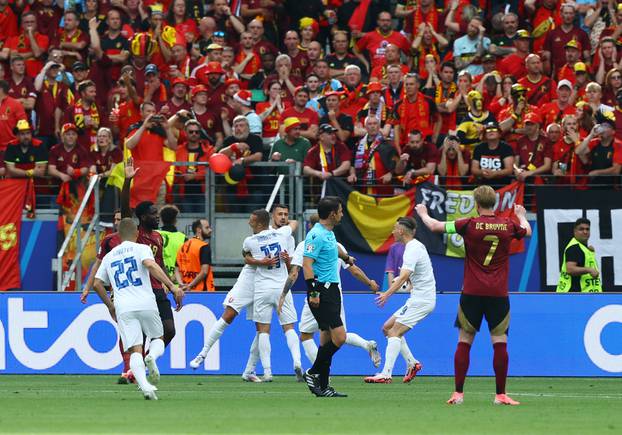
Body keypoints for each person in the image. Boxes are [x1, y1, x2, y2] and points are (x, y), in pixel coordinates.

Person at [415, 185, 531, 406]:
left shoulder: (468, 224)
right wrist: (521, 215)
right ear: (495, 203)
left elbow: (435, 226)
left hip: (471, 292)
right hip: (498, 293)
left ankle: (458, 393)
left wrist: (422, 212)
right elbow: (527, 231)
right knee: (500, 343)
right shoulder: (507, 225)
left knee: (465, 341)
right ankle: (500, 395)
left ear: (476, 204)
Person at [189, 211, 297, 372]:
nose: (283, 217)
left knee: (261, 329)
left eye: (285, 215)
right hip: (248, 280)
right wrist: (259, 261)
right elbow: (245, 257)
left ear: (260, 222)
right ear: (272, 217)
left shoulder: (282, 235)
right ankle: (203, 353)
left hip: (265, 285)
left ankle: (249, 369)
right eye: (279, 214)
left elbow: (293, 225)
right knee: (229, 314)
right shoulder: (255, 239)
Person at [277, 213, 381, 370]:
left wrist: (283, 295)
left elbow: (294, 273)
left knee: (311, 335)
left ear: (309, 227)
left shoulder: (306, 244)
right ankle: (365, 346)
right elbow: (354, 270)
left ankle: (318, 371)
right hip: (334, 294)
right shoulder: (336, 244)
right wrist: (369, 283)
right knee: (336, 334)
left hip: (316, 294)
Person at [94, 218, 182, 400]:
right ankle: (152, 358)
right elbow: (150, 265)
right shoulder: (142, 248)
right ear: (137, 233)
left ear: (118, 235)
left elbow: (97, 283)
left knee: (135, 350)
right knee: (158, 338)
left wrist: (110, 307)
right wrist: (172, 286)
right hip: (146, 302)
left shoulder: (110, 256)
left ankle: (146, 388)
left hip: (123, 307)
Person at [365, 217, 436, 383]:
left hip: (422, 300)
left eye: (394, 228)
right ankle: (412, 363)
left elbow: (403, 276)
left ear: (401, 231)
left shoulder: (412, 248)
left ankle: (386, 374)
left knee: (395, 332)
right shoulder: (413, 247)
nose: (392, 231)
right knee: (387, 328)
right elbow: (410, 275)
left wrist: (386, 294)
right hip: (417, 298)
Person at [241, 205, 302, 382]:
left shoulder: (250, 241)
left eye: (252, 220)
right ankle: (297, 362)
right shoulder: (282, 234)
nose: (249, 222)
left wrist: (260, 260)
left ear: (259, 223)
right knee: (289, 327)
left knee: (263, 331)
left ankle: (267, 371)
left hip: (263, 288)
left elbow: (245, 255)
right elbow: (294, 224)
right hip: (282, 287)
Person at [302, 196, 354, 397]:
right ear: (332, 214)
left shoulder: (329, 234)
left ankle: (323, 387)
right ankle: (313, 372)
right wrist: (313, 292)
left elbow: (335, 250)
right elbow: (307, 264)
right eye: (340, 211)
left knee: (325, 340)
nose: (342, 214)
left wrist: (346, 258)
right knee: (339, 337)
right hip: (321, 290)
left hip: (332, 289)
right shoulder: (316, 235)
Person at [556, 218, 602, 293]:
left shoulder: (583, 248)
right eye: (581, 229)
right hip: (575, 295)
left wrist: (590, 251)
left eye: (587, 229)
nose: (585, 232)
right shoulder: (574, 248)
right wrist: (589, 270)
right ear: (575, 231)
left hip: (583, 295)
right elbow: (570, 269)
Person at [175, 218, 214, 292]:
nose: (210, 230)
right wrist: (190, 286)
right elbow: (204, 271)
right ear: (199, 230)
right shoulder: (204, 246)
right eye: (207, 228)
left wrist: (181, 285)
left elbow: (176, 269)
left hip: (184, 291)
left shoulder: (183, 246)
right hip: (202, 292)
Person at [157, 205, 186, 279]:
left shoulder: (154, 235)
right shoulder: (183, 238)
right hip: (177, 284)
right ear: (175, 220)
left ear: (161, 219)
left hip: (158, 280)